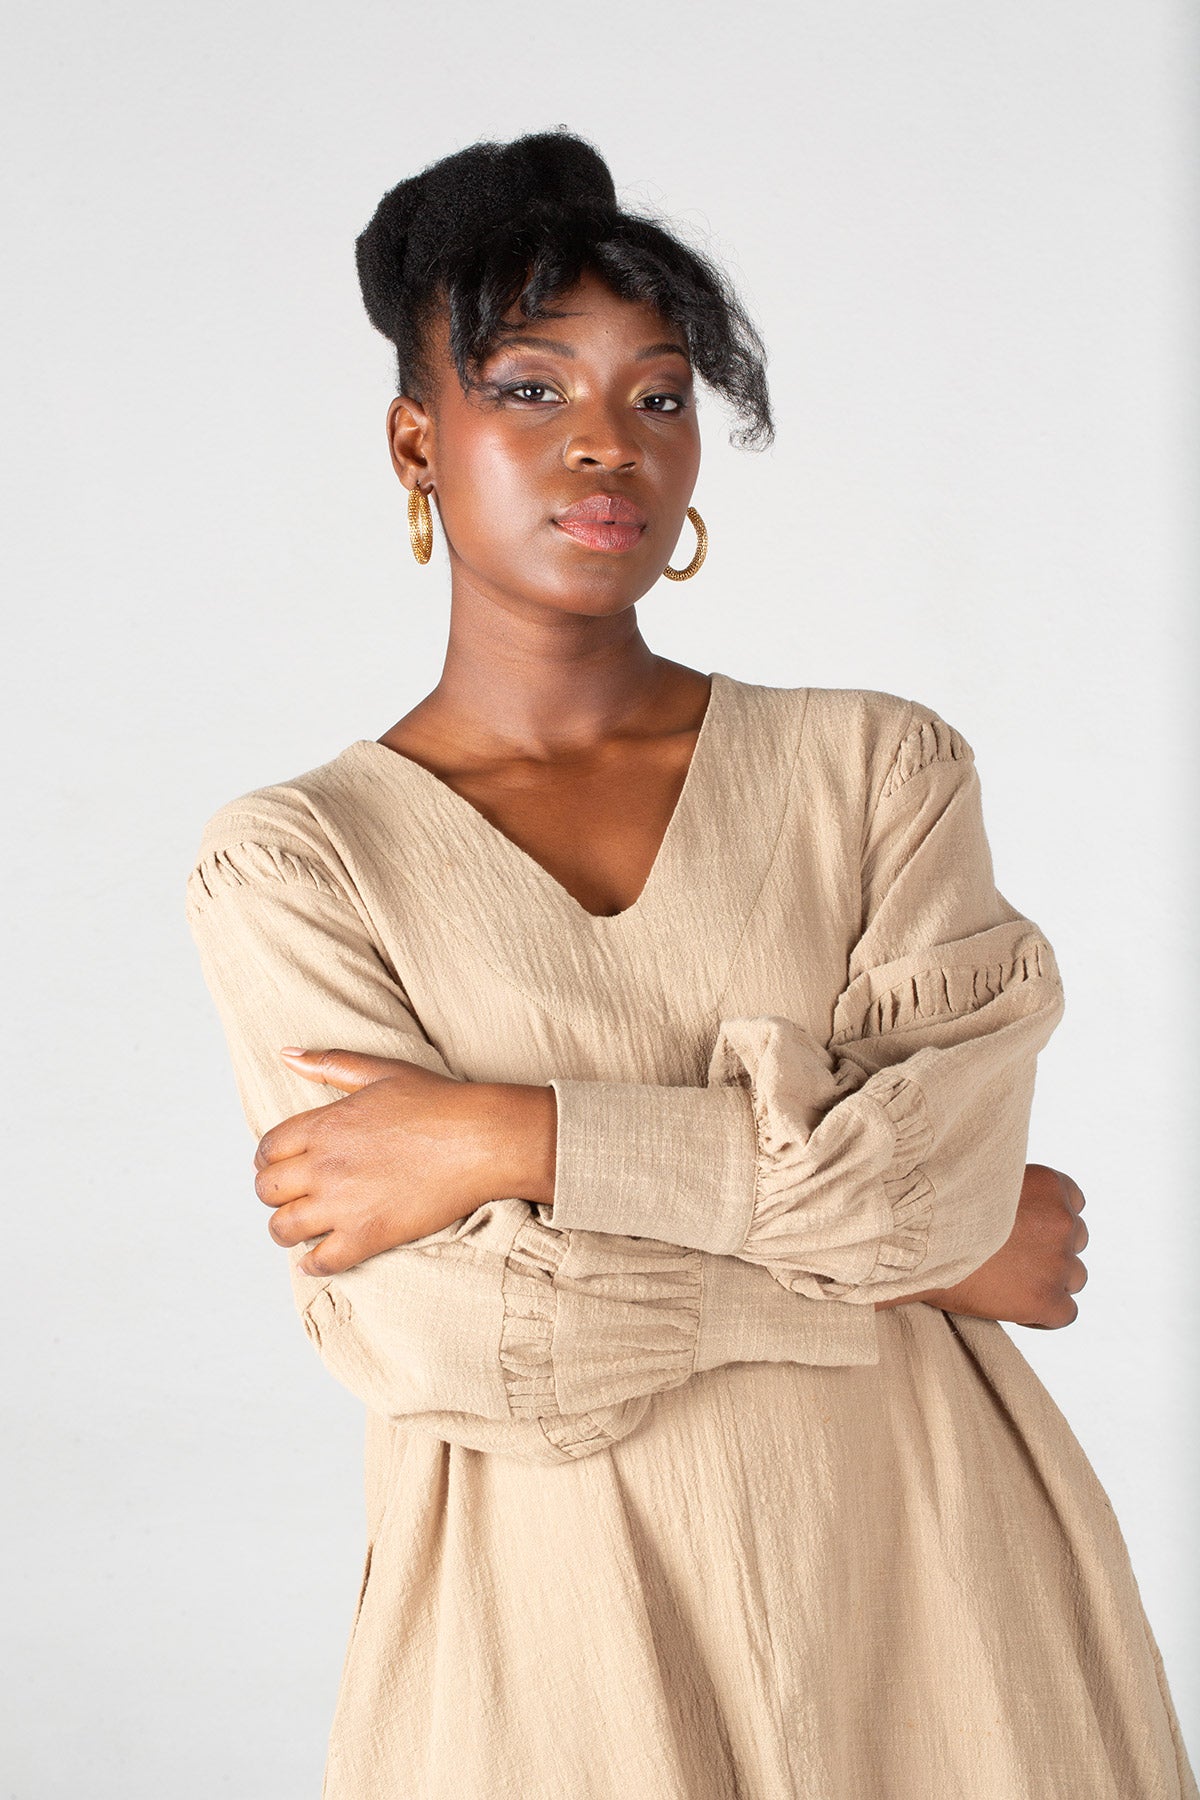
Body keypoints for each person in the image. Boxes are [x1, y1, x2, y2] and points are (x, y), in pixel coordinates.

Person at [185, 129, 1197, 1800]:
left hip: (941, 1589)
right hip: (552, 1637)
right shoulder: (299, 859)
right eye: (530, 388)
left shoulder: (877, 771)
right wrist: (918, 1262)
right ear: (414, 440)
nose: (608, 443)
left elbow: (934, 1185)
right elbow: (449, 1334)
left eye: (658, 396)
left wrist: (516, 1137)